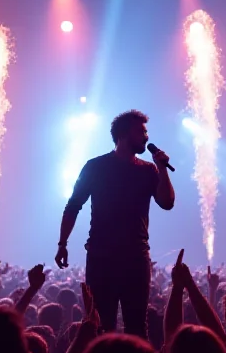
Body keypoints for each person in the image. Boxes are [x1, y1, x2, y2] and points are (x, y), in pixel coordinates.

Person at [55, 110, 175, 338]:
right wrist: (62, 243)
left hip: (136, 256)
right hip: (102, 256)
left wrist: (161, 168)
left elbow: (167, 202)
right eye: (141, 131)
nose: (146, 137)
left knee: (137, 325)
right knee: (100, 324)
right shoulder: (95, 166)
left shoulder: (149, 169)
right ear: (123, 134)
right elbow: (73, 205)